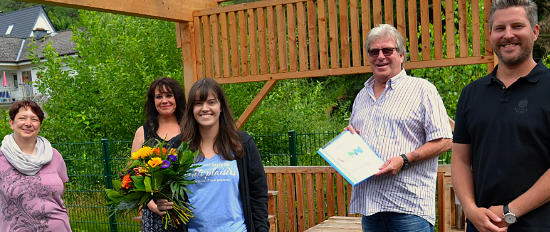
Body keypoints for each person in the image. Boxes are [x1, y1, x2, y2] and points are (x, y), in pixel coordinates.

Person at [452, 0, 550, 231]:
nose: (508, 35)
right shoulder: (471, 94)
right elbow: (461, 160)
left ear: (535, 32)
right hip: (481, 225)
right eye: (500, 28)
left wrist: (510, 211)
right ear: (490, 34)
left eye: (517, 26)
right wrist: (471, 210)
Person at [344, 24, 452, 232]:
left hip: (409, 209)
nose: (380, 56)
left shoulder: (422, 90)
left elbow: (445, 140)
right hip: (371, 208)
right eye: (374, 52)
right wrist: (348, 140)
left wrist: (404, 159)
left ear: (402, 55)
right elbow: (357, 140)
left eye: (387, 50)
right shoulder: (361, 96)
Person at [155, 78, 269, 232]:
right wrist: (161, 201)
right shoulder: (178, 147)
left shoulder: (242, 144)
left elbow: (258, 194)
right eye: (198, 103)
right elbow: (165, 191)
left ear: (221, 106)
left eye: (211, 102)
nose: (205, 108)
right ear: (191, 109)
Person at [0, 100, 71, 231]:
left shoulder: (54, 156)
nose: (28, 123)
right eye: (22, 118)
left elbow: (60, 194)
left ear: (39, 125)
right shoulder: (1, 159)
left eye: (34, 119)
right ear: (12, 123)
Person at [131, 77, 186, 232]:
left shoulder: (190, 130)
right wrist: (152, 205)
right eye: (159, 97)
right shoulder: (143, 132)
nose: (164, 100)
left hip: (186, 209)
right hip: (154, 215)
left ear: (177, 98)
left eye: (169, 95)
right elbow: (133, 174)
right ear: (152, 101)